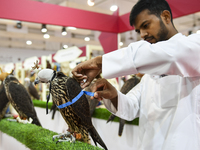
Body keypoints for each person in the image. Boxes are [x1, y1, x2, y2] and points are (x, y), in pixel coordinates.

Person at [72, 0, 200, 149]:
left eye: (146, 26)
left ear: (166, 17)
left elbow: (173, 55)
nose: (143, 35)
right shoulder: (149, 76)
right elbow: (132, 108)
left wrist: (101, 62)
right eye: (139, 31)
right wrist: (113, 95)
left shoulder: (194, 46)